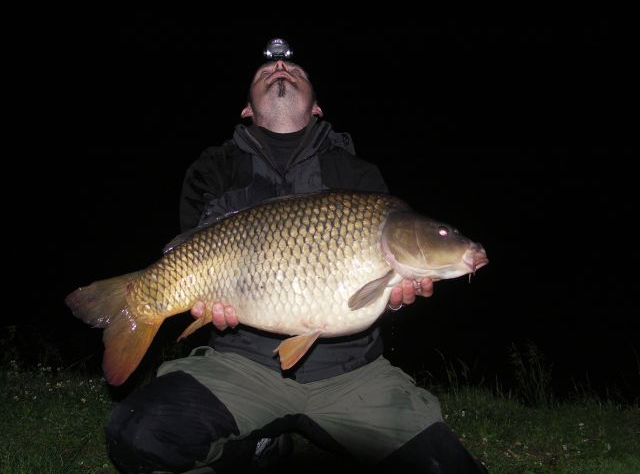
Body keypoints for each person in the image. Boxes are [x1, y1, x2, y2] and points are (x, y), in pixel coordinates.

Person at [105, 39, 488, 473]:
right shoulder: (213, 169)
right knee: (136, 436)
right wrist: (202, 303)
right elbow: (193, 248)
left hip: (352, 373)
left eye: (294, 69)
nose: (280, 69)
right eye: (264, 72)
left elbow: (371, 302)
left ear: (317, 106)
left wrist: (395, 296)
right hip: (240, 365)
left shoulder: (359, 176)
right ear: (247, 108)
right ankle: (260, 449)